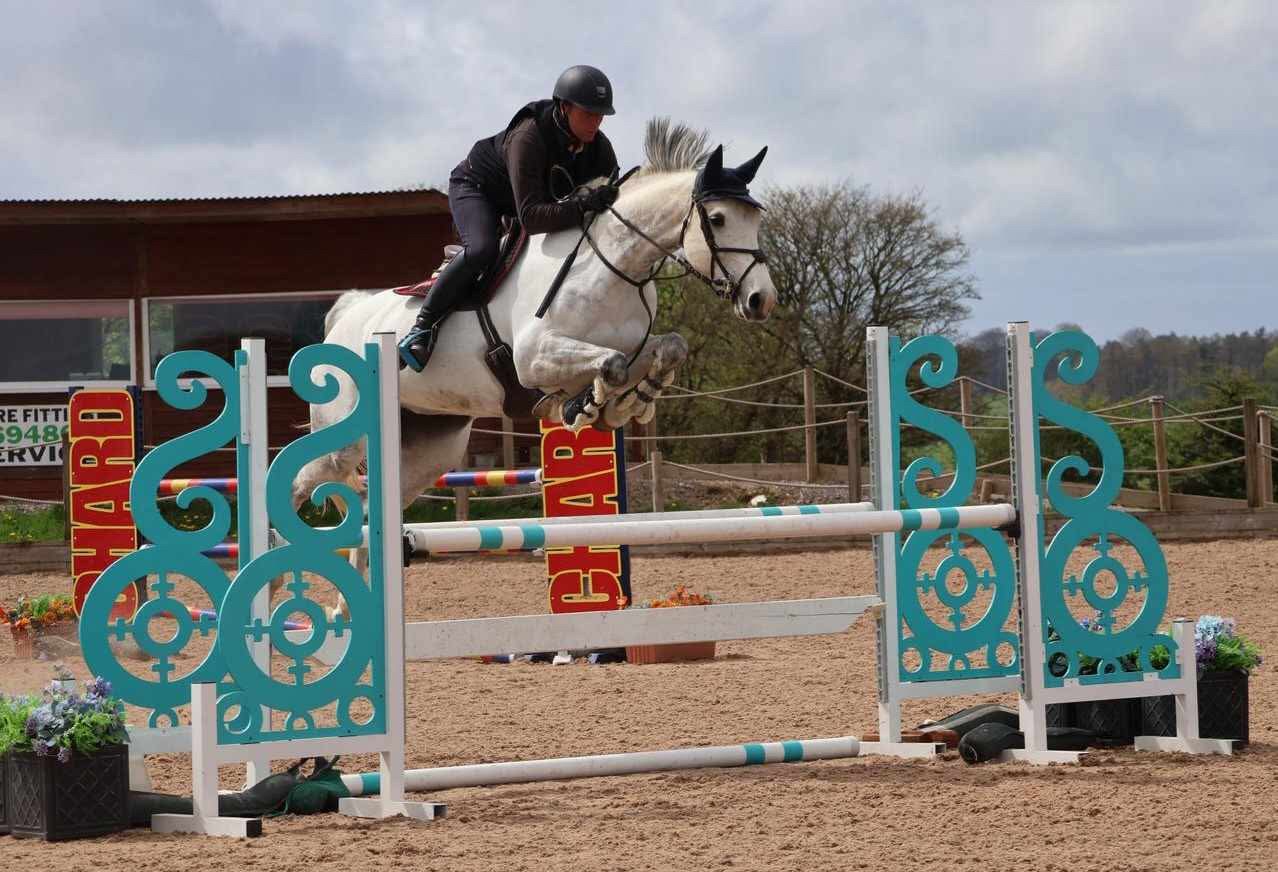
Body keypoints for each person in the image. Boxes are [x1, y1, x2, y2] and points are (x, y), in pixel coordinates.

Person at [399, 64, 622, 371]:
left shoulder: (599, 148)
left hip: (524, 202)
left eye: (600, 115)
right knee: (482, 250)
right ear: (565, 107)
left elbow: (610, 198)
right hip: (478, 189)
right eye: (588, 113)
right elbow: (531, 217)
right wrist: (584, 206)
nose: (595, 123)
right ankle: (422, 328)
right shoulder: (529, 136)